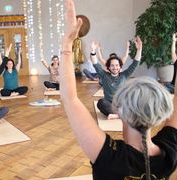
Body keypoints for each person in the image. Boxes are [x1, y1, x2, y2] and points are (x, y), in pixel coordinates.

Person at [60, 0, 177, 179]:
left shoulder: (111, 158)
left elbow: (69, 98)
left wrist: (67, 42)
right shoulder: (169, 154)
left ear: (120, 111)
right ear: (160, 115)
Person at [91, 37, 141, 120]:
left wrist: (139, 50)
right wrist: (93, 51)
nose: (115, 67)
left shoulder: (124, 75)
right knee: (101, 103)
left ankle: (118, 115)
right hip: (110, 104)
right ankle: (121, 115)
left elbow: (135, 64)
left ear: (120, 66)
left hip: (122, 104)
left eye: (117, 65)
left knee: (136, 101)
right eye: (112, 65)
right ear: (109, 67)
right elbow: (96, 64)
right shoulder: (104, 75)